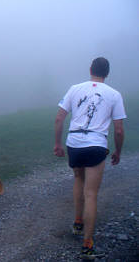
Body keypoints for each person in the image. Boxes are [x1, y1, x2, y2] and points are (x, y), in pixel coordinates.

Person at [54, 57, 126, 260]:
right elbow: (119, 130)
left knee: (78, 179)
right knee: (91, 193)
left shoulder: (75, 88)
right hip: (96, 145)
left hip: (75, 142)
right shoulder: (114, 94)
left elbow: (59, 118)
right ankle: (87, 244)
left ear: (90, 69)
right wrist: (118, 151)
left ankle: (78, 223)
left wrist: (58, 144)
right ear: (107, 73)